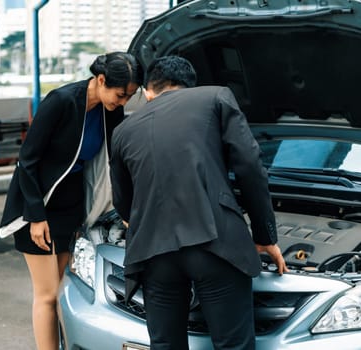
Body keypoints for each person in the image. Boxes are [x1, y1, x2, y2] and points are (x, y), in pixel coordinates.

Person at [109, 55, 288, 350]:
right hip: (215, 243)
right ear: (191, 85)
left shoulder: (124, 130)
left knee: (165, 345)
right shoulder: (216, 96)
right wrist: (265, 235)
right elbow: (250, 167)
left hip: (154, 255)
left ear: (149, 92)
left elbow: (124, 204)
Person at [0, 52, 143, 350]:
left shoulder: (109, 109)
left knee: (61, 288)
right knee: (47, 293)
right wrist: (36, 217)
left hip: (71, 204)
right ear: (101, 80)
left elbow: (116, 161)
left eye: (129, 96)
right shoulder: (62, 101)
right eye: (120, 94)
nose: (123, 102)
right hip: (37, 203)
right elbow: (27, 161)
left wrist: (127, 209)